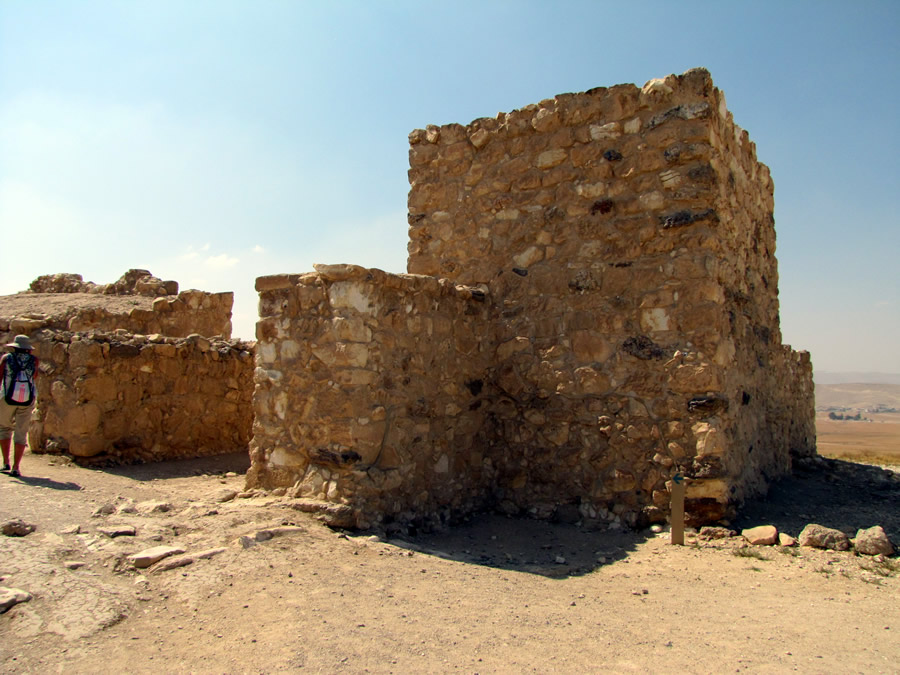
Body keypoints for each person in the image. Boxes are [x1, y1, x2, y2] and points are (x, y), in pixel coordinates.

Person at [1, 335, 39, 478]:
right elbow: (34, 376)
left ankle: (6, 462)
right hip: (27, 399)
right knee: (21, 432)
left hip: (6, 397)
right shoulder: (34, 360)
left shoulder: (7, 358)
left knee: (4, 428)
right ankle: (16, 467)